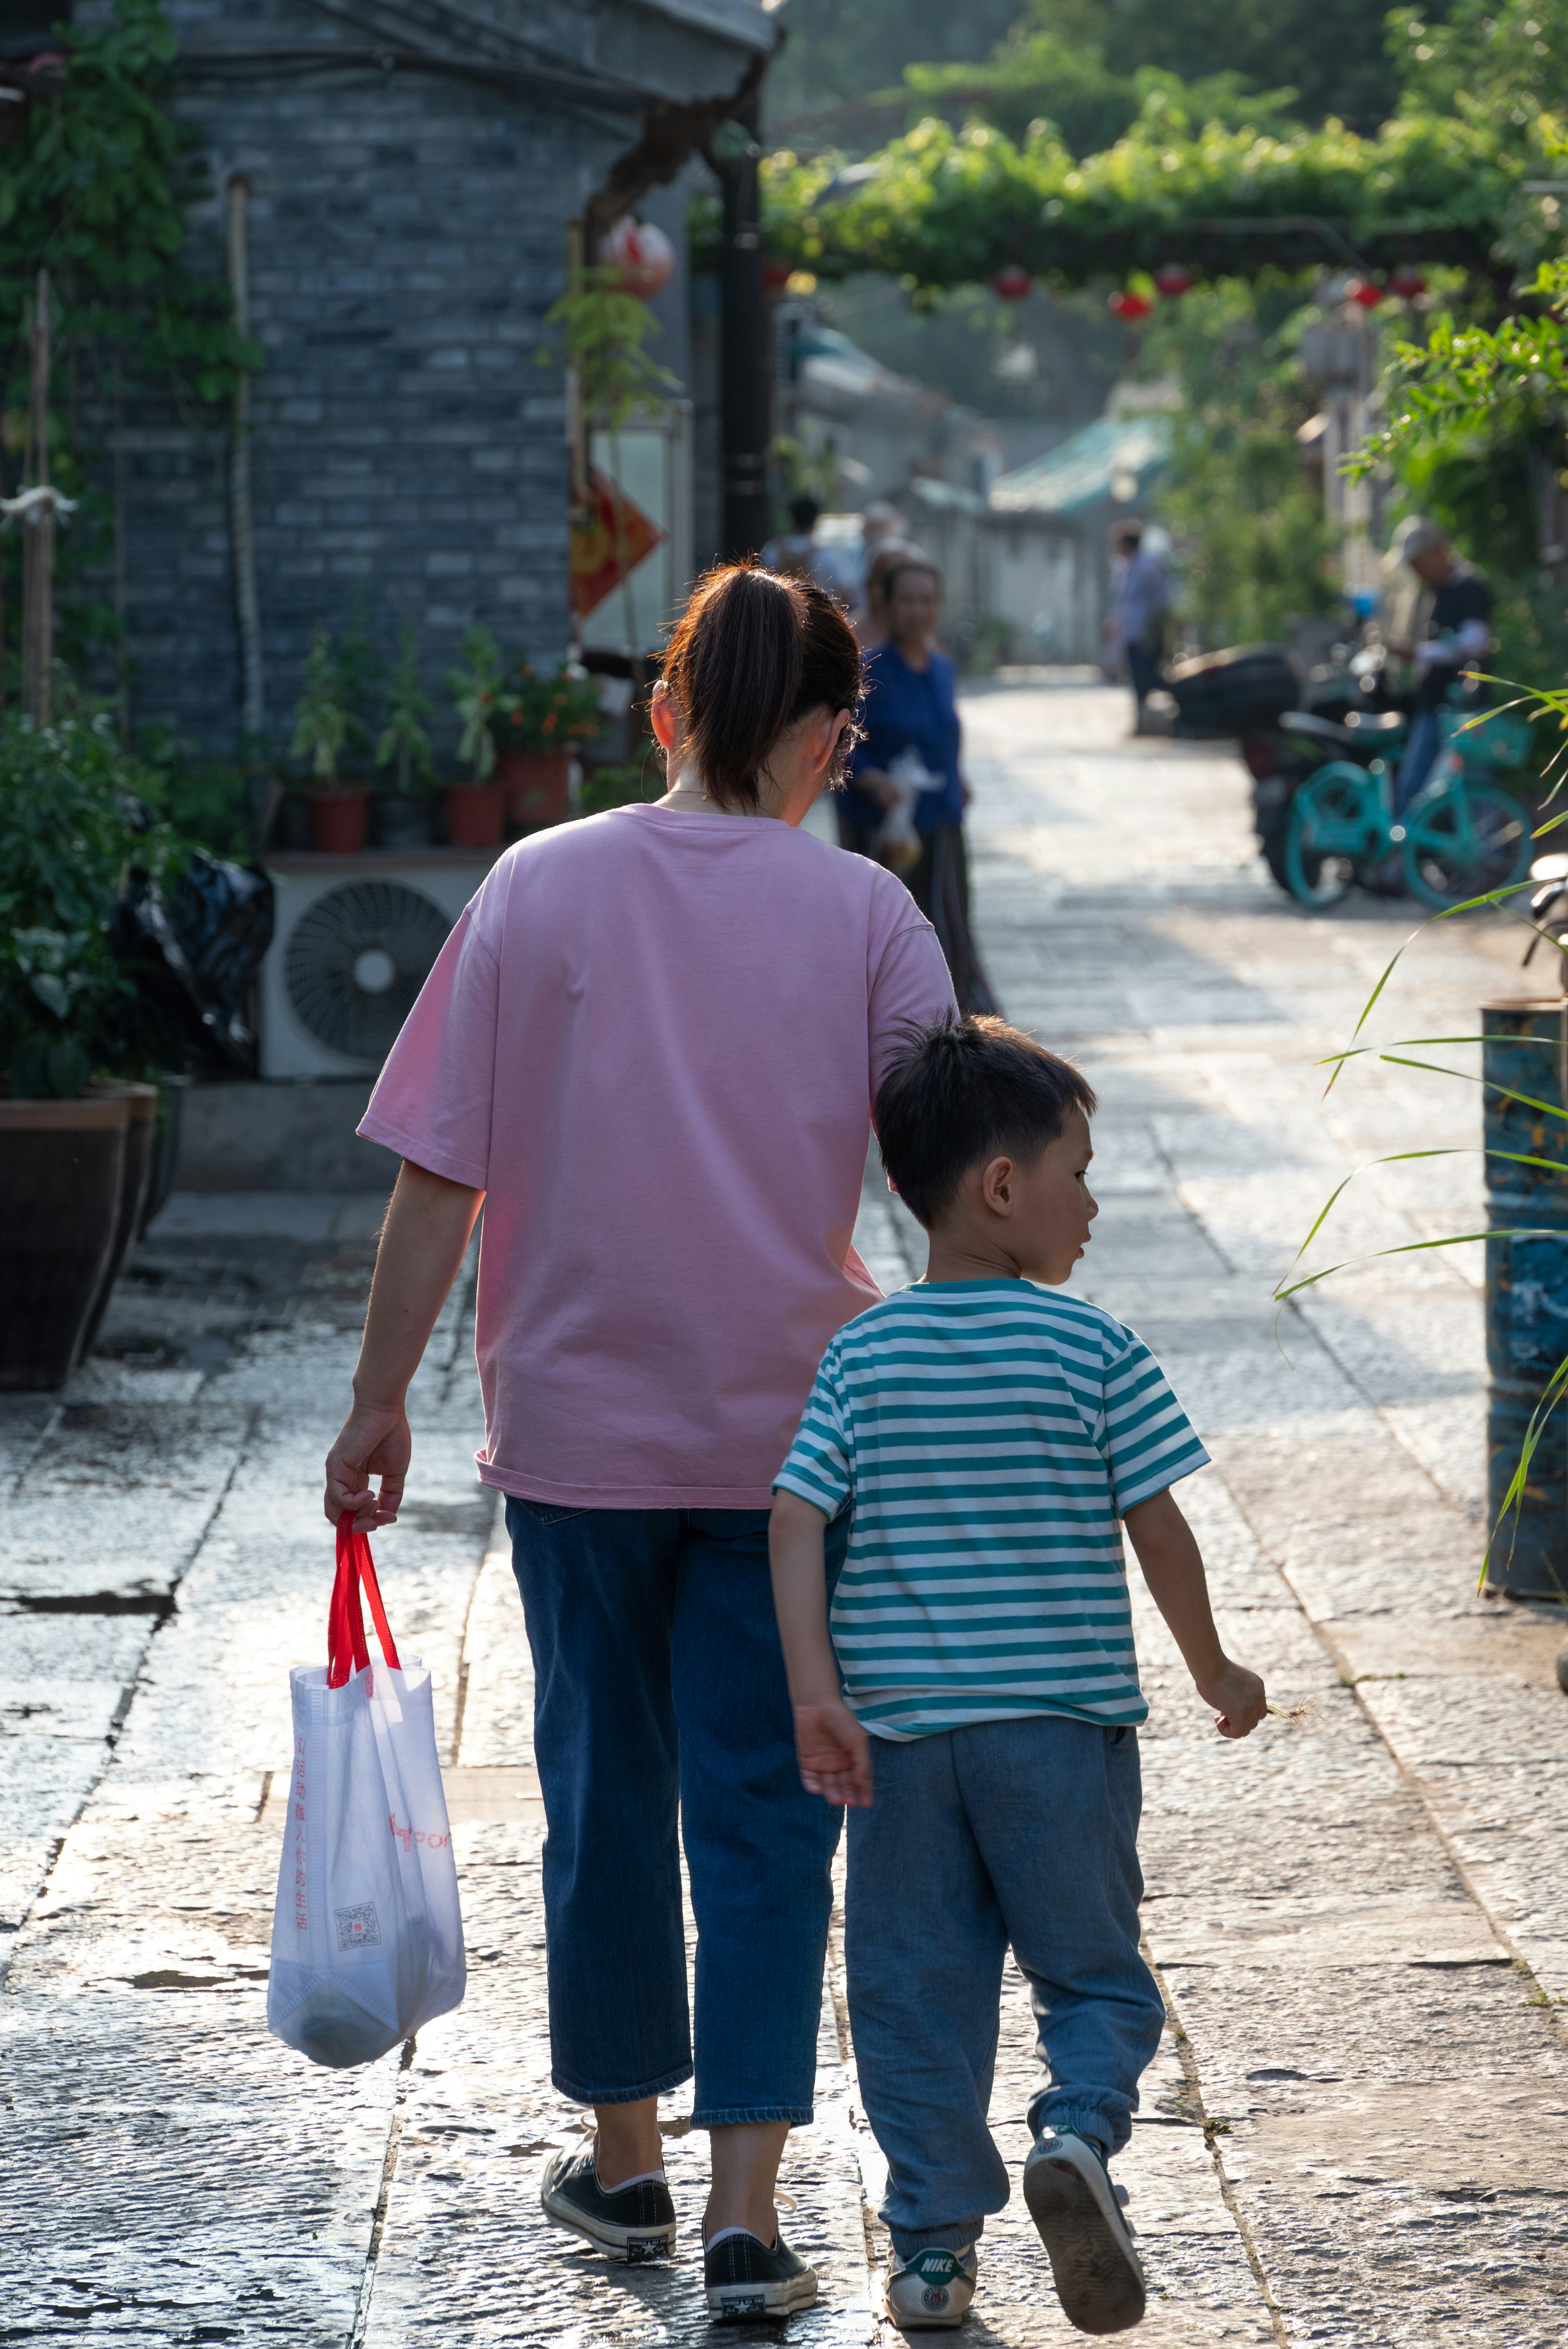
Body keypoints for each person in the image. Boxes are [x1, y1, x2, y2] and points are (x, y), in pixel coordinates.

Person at [323, 566, 956, 2322]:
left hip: (578, 1439)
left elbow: (438, 1170)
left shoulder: (534, 887)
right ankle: (748, 2212)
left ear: (663, 712)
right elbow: (947, 1176)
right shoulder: (867, 923)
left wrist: (380, 1401)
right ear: (832, 735)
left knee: (606, 1800)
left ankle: (624, 2166)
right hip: (787, 1452)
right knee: (767, 1811)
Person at [769, 1015, 1266, 2337]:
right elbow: (1157, 1525)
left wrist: (815, 1686)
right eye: (1080, 1171)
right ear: (1003, 1186)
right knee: (1096, 1979)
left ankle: (931, 2251)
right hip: (1058, 1735)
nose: (1091, 1202)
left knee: (911, 1993)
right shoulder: (1093, 1350)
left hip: (900, 1747)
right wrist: (1211, 1665)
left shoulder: (861, 1357)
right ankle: (1077, 2135)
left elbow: (793, 1516)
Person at [839, 554, 999, 1014]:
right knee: (887, 936)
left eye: (927, 600)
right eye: (907, 599)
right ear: (885, 605)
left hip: (941, 821)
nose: (918, 610)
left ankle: (961, 1024)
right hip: (883, 832)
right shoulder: (867, 671)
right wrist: (870, 777)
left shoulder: (942, 669)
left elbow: (941, 734)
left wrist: (959, 776)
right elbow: (837, 744)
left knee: (950, 926)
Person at [1384, 520, 1493, 813]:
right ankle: (1404, 851)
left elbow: (1473, 642)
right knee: (1413, 784)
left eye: (1417, 563)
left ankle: (1489, 857)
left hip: (1463, 707)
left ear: (1437, 552)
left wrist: (1417, 652)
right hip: (1432, 702)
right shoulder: (1432, 591)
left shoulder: (1468, 586)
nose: (1414, 571)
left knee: (1474, 786)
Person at [1103, 520, 1170, 735]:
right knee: (1136, 676)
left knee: (1147, 675)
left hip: (1147, 630)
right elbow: (1122, 601)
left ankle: (1159, 714)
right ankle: (1141, 722)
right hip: (1130, 631)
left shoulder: (1149, 567)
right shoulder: (1122, 568)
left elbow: (1162, 599)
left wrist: (1160, 627)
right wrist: (1113, 624)